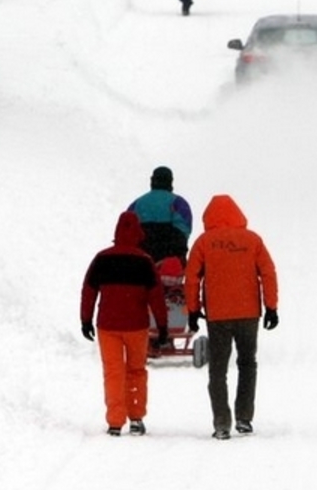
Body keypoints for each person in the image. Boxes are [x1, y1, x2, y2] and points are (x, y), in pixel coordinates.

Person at [184, 195, 278, 440]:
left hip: (218, 316)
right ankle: (244, 418)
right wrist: (271, 307)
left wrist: (192, 311)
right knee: (248, 363)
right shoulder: (253, 240)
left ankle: (222, 423)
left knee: (218, 369)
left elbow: (192, 278)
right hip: (249, 313)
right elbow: (268, 273)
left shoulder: (204, 242)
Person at [80, 211, 171, 436]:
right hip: (136, 326)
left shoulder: (102, 259)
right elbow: (157, 297)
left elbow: (89, 291)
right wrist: (162, 326)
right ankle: (136, 417)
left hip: (107, 325)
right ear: (138, 233)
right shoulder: (145, 261)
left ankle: (114, 421)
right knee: (136, 371)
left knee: (113, 372)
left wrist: (85, 319)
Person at [127, 165, 194, 266]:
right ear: (170, 181)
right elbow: (183, 231)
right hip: (169, 264)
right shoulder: (179, 203)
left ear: (152, 180)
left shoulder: (137, 204)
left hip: (140, 262)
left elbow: (126, 231)